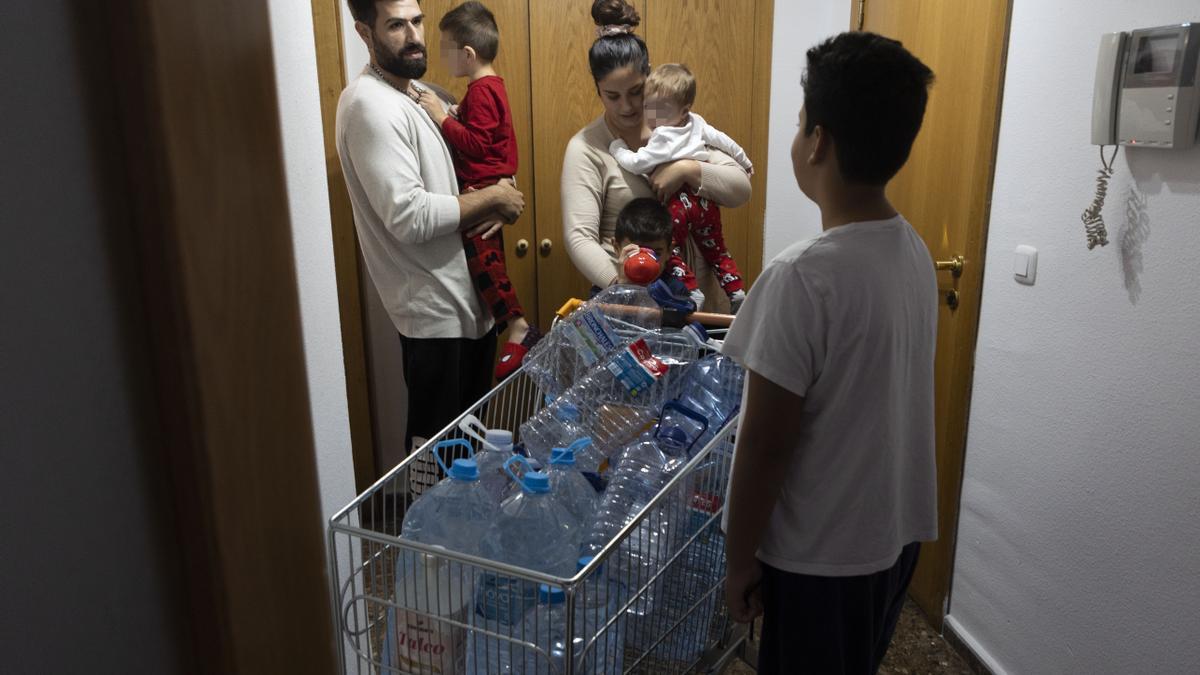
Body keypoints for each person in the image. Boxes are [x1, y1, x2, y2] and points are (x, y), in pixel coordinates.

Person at [721, 32, 938, 674]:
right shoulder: (913, 250)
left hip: (820, 557)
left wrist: (739, 561)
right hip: (892, 538)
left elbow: (765, 443)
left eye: (797, 123)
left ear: (818, 141)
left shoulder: (801, 277)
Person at [336, 0, 525, 455]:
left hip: (471, 307)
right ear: (365, 32)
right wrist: (495, 197)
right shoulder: (368, 106)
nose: (414, 36)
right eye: (396, 25)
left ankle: (466, 528)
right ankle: (421, 530)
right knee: (433, 461)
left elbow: (484, 158)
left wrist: (501, 193)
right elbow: (409, 215)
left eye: (417, 22)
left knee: (469, 457)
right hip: (433, 317)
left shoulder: (424, 93)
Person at [561, 0, 751, 312]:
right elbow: (579, 238)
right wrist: (626, 292)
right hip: (632, 306)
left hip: (702, 302)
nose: (627, 107)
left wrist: (688, 169)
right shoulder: (586, 147)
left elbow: (741, 189)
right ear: (597, 89)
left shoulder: (680, 125)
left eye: (636, 91)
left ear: (649, 77)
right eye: (613, 96)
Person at [416, 1, 540, 380]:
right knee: (488, 263)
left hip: (483, 186)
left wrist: (440, 116)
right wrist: (456, 114)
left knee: (485, 263)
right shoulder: (485, 89)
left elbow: (479, 144)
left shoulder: (483, 90)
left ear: (467, 54)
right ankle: (511, 322)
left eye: (445, 49)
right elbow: (483, 131)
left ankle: (518, 326)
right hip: (489, 184)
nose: (440, 56)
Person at [609, 63, 753, 312]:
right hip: (704, 204)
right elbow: (725, 141)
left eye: (637, 95)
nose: (649, 115)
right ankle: (736, 290)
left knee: (666, 246)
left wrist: (617, 149)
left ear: (684, 110)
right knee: (716, 247)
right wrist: (745, 161)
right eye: (648, 107)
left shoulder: (662, 137)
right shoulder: (697, 125)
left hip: (680, 205)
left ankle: (691, 290)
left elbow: (637, 162)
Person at [590, 197, 704, 306]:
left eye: (656, 253)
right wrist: (622, 288)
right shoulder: (604, 290)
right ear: (617, 248)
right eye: (634, 252)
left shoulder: (674, 291)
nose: (644, 261)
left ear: (669, 251)